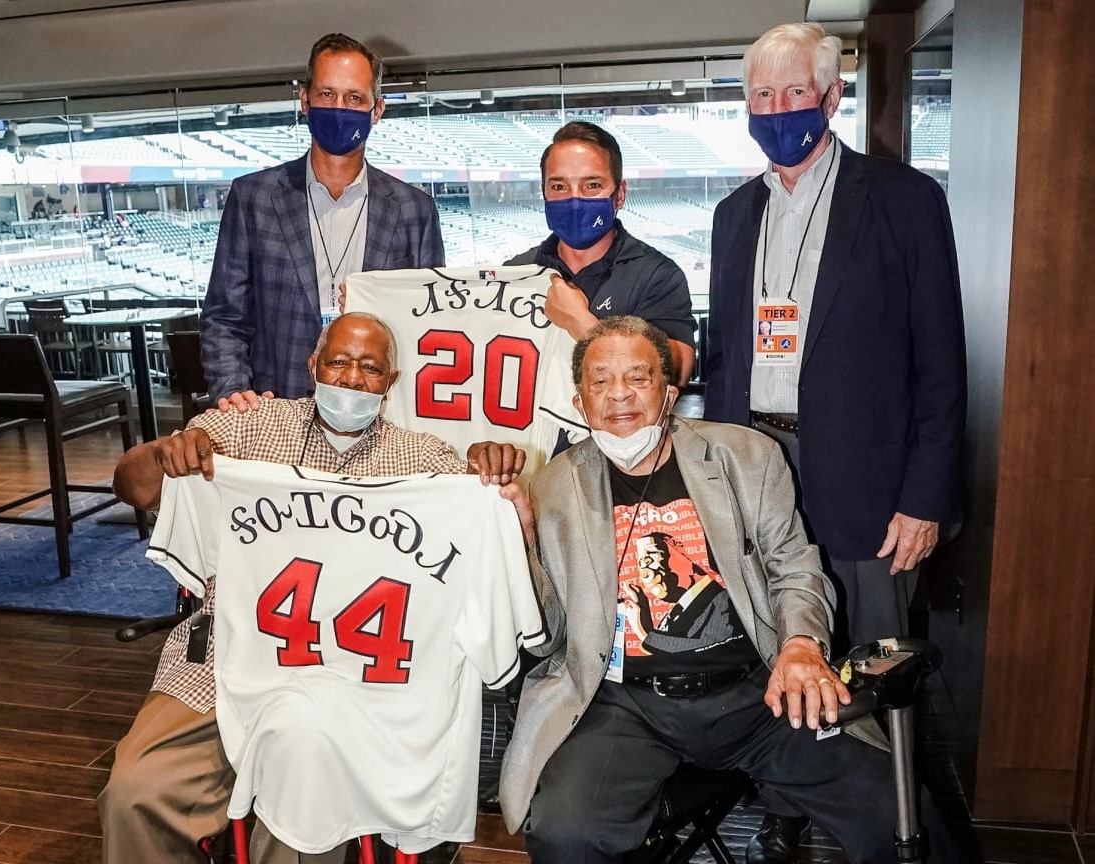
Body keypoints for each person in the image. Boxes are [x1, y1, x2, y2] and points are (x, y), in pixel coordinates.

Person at [497, 316, 959, 864]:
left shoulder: (747, 456)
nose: (618, 395)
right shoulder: (554, 485)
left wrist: (801, 646)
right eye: (599, 382)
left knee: (900, 814)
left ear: (669, 394)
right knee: (565, 834)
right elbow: (547, 637)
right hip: (624, 703)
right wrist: (524, 543)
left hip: (760, 690)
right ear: (580, 403)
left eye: (637, 378)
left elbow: (796, 568)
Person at [98, 313, 524, 864]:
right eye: (338, 362)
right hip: (225, 660)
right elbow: (130, 484)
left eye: (370, 368)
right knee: (135, 793)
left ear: (391, 382)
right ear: (312, 367)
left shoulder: (424, 460)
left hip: (356, 679)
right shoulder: (248, 428)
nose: (351, 379)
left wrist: (496, 486)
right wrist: (167, 452)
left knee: (300, 802)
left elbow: (495, 542)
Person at [701, 23, 966, 861]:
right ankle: (784, 805)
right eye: (762, 96)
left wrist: (923, 499)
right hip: (757, 468)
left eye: (793, 93)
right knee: (774, 642)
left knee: (868, 668)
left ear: (829, 96)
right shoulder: (732, 215)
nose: (778, 110)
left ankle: (890, 827)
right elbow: (727, 359)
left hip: (866, 478)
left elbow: (942, 365)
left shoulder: (904, 200)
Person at [200, 33, 445, 413]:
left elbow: (428, 325)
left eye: (354, 98)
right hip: (275, 411)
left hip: (380, 417)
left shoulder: (416, 211)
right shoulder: (253, 198)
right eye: (327, 94)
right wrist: (233, 389)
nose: (340, 108)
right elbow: (224, 317)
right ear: (304, 100)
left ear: (376, 110)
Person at [505, 121, 697, 386]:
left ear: (620, 195)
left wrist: (583, 325)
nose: (574, 200)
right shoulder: (516, 274)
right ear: (544, 193)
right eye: (559, 187)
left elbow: (675, 373)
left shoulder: (658, 276)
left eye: (592, 185)